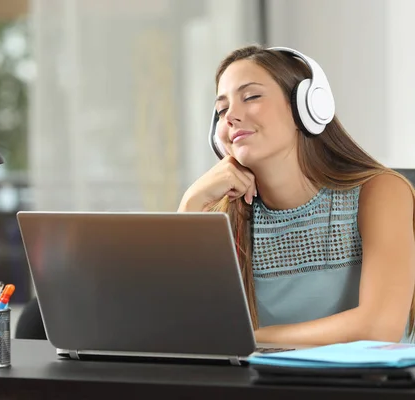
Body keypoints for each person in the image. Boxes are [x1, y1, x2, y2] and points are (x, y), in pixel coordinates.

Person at [178, 45, 415, 345]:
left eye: (250, 97)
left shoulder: (381, 191)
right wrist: (190, 204)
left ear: (307, 106)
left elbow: (379, 328)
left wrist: (244, 339)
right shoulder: (225, 217)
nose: (231, 117)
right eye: (222, 110)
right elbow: (185, 332)